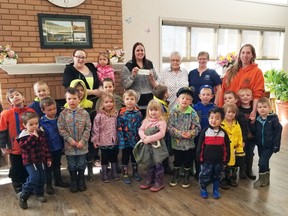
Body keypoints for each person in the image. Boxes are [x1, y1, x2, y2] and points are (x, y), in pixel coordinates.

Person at [0, 89, 34, 193]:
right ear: (10, 102)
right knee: (16, 167)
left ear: (23, 97)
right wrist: (3, 146)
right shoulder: (6, 114)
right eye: (12, 97)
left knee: (27, 166)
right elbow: (2, 131)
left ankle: (26, 183)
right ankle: (16, 182)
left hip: (29, 147)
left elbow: (36, 127)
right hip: (14, 148)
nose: (15, 97)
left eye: (17, 94)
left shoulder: (31, 112)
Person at [57, 88, 91, 193]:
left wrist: (83, 141)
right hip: (69, 146)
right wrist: (69, 140)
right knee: (71, 164)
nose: (72, 101)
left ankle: (81, 180)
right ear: (66, 100)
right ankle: (73, 180)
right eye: (69, 98)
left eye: (74, 98)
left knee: (81, 163)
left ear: (79, 99)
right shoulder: (63, 114)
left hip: (82, 145)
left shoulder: (85, 113)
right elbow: (61, 128)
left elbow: (88, 128)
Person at [219, 44, 265, 121]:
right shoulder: (231, 71)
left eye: (248, 53)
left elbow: (258, 94)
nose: (245, 55)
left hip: (246, 112)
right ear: (239, 55)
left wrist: (254, 111)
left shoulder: (257, 72)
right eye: (243, 52)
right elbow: (223, 91)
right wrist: (221, 109)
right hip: (229, 111)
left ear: (252, 55)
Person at [17, 112, 52, 209]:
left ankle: (39, 193)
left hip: (41, 160)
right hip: (30, 162)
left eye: (36, 123)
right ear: (24, 125)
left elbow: (45, 146)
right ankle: (23, 195)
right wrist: (33, 136)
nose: (34, 126)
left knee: (42, 178)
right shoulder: (23, 136)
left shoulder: (40, 133)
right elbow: (25, 147)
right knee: (34, 178)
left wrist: (48, 158)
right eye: (31, 124)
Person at [168, 87, 201, 188]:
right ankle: (176, 174)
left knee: (188, 160)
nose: (185, 100)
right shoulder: (173, 112)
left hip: (189, 143)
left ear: (191, 101)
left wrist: (191, 133)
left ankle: (186, 176)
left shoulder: (193, 113)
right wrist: (180, 134)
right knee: (177, 159)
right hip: (177, 143)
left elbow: (198, 127)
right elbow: (169, 127)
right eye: (182, 98)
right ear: (178, 99)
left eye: (188, 99)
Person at [196, 107, 230, 199]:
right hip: (206, 160)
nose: (214, 120)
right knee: (204, 175)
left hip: (219, 161)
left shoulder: (224, 133)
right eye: (211, 117)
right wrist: (199, 157)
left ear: (222, 120)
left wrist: (226, 159)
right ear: (208, 119)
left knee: (217, 176)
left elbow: (226, 147)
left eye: (217, 118)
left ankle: (215, 190)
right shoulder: (205, 131)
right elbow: (200, 146)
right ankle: (203, 189)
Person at [66, 79, 95, 181]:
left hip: (87, 134)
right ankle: (76, 176)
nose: (80, 92)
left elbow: (91, 122)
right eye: (77, 90)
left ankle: (90, 172)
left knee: (89, 153)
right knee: (75, 157)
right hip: (73, 136)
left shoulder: (90, 104)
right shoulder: (66, 107)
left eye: (82, 90)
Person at [39, 97, 69, 195]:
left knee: (57, 165)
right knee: (48, 167)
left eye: (54, 109)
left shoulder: (59, 119)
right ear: (43, 110)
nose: (53, 111)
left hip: (58, 147)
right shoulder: (41, 122)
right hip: (47, 149)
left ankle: (58, 180)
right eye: (49, 110)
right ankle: (48, 185)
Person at [137, 100, 168, 192]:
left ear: (160, 111)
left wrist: (149, 139)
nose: (153, 112)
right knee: (149, 162)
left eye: (156, 110)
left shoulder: (161, 122)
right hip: (147, 146)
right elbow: (140, 130)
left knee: (158, 163)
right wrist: (143, 137)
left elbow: (161, 134)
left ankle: (159, 181)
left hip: (157, 147)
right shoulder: (146, 121)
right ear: (148, 111)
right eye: (151, 110)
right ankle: (149, 179)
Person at [251, 97, 282, 188]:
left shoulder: (273, 120)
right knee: (265, 162)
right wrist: (251, 122)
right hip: (260, 145)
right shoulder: (257, 120)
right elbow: (254, 131)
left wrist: (276, 145)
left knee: (262, 162)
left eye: (265, 107)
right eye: (260, 107)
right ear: (257, 109)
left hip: (269, 146)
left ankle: (261, 179)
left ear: (269, 108)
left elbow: (278, 133)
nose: (262, 109)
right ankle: (266, 180)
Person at [121, 42, 158, 118]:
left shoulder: (150, 64)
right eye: (138, 50)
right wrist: (133, 76)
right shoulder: (128, 66)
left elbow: (157, 82)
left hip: (150, 102)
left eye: (142, 50)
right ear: (134, 52)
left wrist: (152, 79)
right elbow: (124, 84)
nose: (140, 52)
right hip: (135, 103)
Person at [91, 92, 120, 183]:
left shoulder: (115, 114)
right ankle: (104, 173)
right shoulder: (99, 116)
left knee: (114, 156)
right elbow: (95, 128)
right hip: (103, 141)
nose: (109, 104)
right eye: (106, 102)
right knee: (104, 158)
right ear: (102, 104)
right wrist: (95, 140)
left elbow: (118, 126)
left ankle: (114, 172)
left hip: (114, 140)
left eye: (111, 102)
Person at [117, 89, 143, 184]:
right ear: (124, 100)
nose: (129, 101)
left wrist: (141, 139)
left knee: (135, 157)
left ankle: (135, 172)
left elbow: (141, 127)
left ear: (135, 101)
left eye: (132, 99)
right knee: (125, 157)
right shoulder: (121, 113)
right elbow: (119, 128)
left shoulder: (138, 113)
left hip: (136, 140)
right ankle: (125, 173)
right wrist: (121, 141)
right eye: (127, 99)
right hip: (125, 140)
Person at [193, 85, 216, 179]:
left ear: (212, 96)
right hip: (198, 135)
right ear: (199, 96)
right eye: (203, 94)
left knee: (209, 154)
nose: (205, 96)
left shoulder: (214, 108)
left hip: (210, 135)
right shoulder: (195, 107)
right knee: (198, 152)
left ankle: (209, 172)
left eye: (208, 94)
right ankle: (198, 172)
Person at [220, 103, 245, 188]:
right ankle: (223, 179)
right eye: (229, 112)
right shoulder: (221, 124)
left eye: (233, 113)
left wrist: (239, 148)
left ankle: (231, 177)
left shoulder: (236, 124)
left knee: (233, 164)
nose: (231, 114)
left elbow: (239, 136)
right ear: (224, 113)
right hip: (223, 149)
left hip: (233, 149)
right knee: (224, 164)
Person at [152, 84, 173, 174]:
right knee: (163, 149)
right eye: (167, 92)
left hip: (162, 130)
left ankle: (164, 165)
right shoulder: (160, 106)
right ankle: (163, 167)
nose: (168, 93)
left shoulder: (159, 102)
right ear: (165, 95)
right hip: (161, 131)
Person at [238, 88, 257, 180]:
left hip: (251, 137)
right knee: (241, 153)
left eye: (248, 95)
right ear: (239, 98)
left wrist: (253, 121)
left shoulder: (255, 110)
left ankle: (249, 169)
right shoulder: (237, 110)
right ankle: (241, 170)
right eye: (242, 95)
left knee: (250, 153)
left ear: (251, 97)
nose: (245, 97)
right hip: (241, 137)